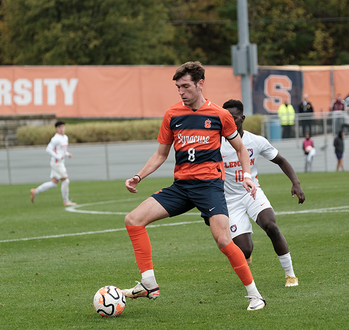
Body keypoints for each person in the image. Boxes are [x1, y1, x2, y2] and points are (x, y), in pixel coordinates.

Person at [121, 62, 265, 311]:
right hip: (181, 187)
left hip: (209, 187)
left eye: (186, 86)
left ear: (200, 84)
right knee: (133, 220)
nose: (181, 92)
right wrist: (139, 176)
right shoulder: (172, 115)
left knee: (222, 240)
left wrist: (247, 175)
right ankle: (148, 283)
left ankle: (255, 295)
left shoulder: (220, 115)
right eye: (178, 87)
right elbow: (160, 155)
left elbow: (241, 148)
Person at [215, 99, 304, 287]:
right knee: (244, 250)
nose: (229, 121)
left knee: (271, 226)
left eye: (234, 118)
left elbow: (281, 160)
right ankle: (247, 254)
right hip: (230, 201)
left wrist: (295, 183)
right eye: (226, 118)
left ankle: (290, 275)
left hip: (252, 193)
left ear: (242, 118)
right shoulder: (216, 145)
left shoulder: (255, 141)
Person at [30, 121, 76, 206]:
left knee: (54, 183)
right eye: (60, 127)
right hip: (57, 163)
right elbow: (48, 149)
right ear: (56, 129)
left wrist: (67, 154)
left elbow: (62, 150)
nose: (62, 129)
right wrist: (57, 156)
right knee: (66, 181)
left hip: (59, 162)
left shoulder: (65, 137)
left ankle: (35, 191)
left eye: (63, 127)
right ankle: (66, 201)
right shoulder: (55, 139)